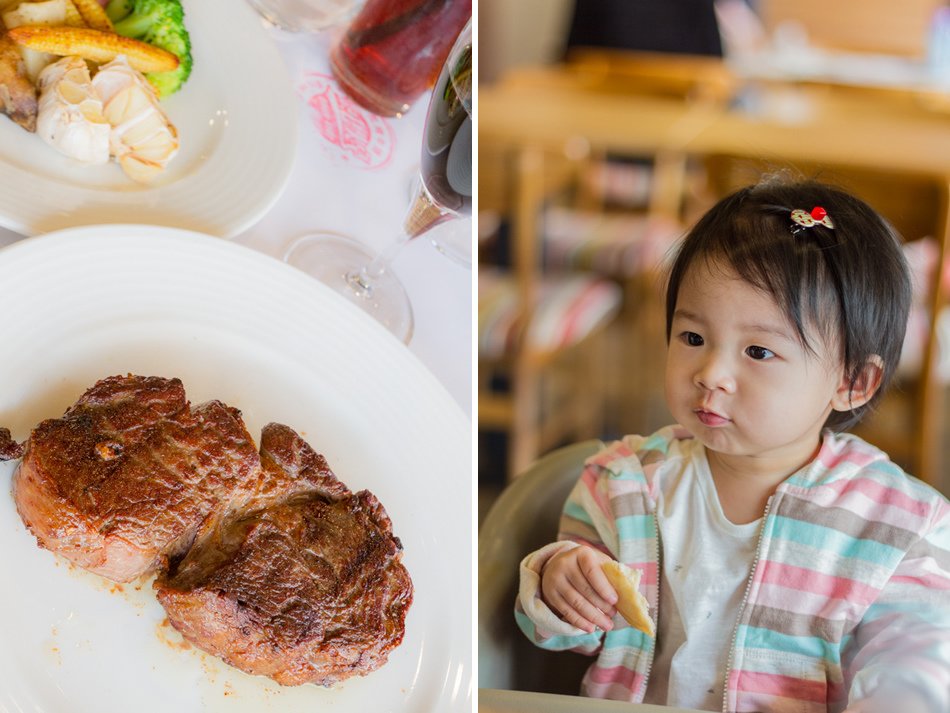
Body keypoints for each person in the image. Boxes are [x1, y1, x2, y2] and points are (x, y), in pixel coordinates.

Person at [515, 175, 950, 713]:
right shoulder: (623, 482)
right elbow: (565, 639)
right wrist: (558, 584)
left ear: (852, 381)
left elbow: (917, 669)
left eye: (759, 352)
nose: (712, 373)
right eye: (693, 338)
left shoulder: (896, 525)